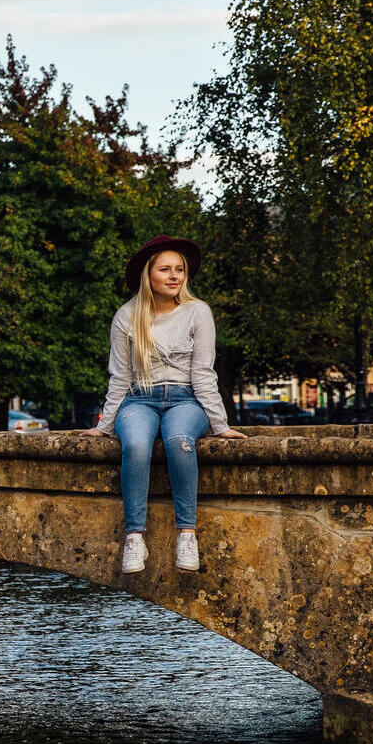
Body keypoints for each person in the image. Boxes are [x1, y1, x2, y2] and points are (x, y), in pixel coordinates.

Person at [81, 235, 247, 573]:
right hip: (139, 399)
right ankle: (134, 539)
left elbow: (203, 373)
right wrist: (104, 426)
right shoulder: (126, 316)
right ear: (148, 275)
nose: (174, 276)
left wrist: (220, 425)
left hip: (184, 400)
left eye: (180, 270)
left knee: (179, 441)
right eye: (165, 269)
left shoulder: (197, 312)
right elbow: (120, 377)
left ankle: (186, 534)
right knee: (138, 445)